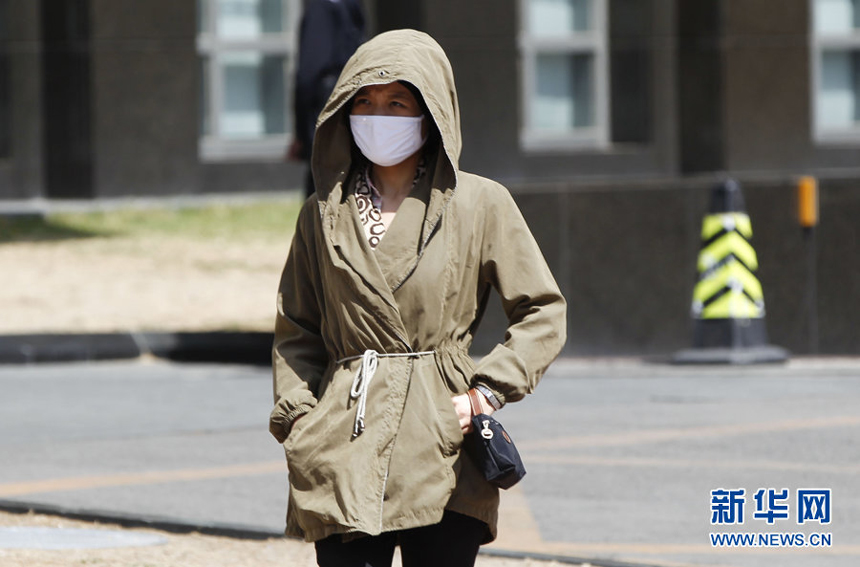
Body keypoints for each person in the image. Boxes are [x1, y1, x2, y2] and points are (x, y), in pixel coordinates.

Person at [269, 29, 567, 567]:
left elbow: (543, 309)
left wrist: (485, 394)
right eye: (364, 101)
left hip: (441, 441)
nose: (377, 115)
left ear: (430, 112)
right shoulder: (321, 213)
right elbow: (298, 327)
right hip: (345, 435)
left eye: (396, 102)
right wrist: (300, 419)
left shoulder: (480, 203)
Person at [288, 0, 365, 198]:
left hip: (326, 106)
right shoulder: (349, 5)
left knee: (321, 184)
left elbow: (308, 74)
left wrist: (300, 131)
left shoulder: (322, 7)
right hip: (350, 101)